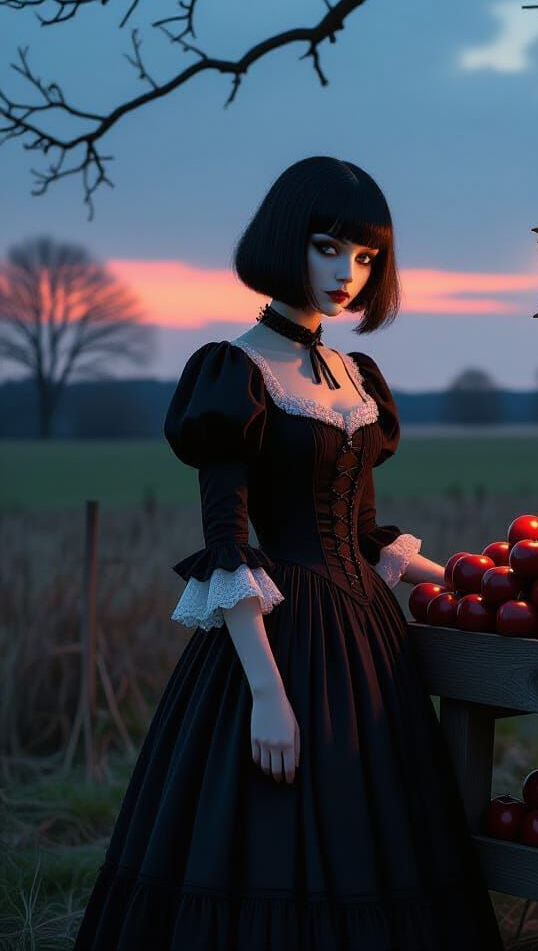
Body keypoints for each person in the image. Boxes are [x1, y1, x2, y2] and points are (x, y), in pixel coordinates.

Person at [73, 156, 506, 950]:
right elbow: (227, 546)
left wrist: (486, 585)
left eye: (367, 257)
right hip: (279, 641)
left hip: (370, 643)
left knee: (381, 827)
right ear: (286, 244)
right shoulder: (231, 371)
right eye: (329, 248)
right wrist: (268, 695)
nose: (349, 273)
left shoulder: (353, 374)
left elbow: (368, 536)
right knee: (274, 832)